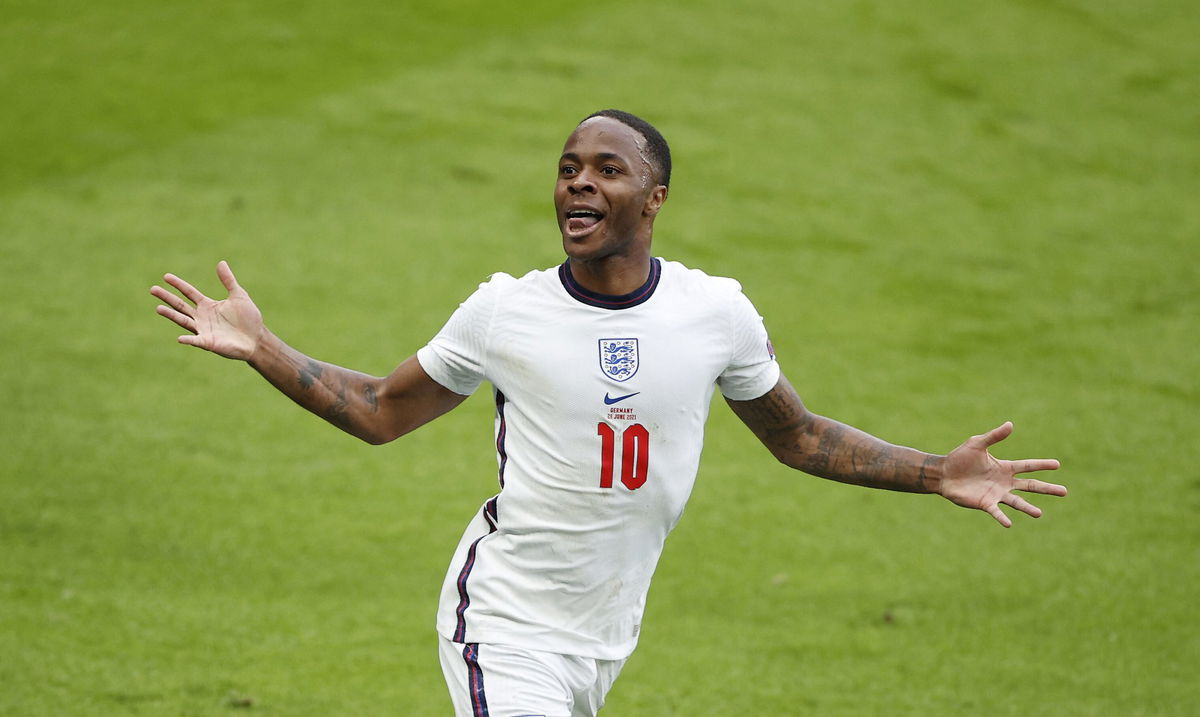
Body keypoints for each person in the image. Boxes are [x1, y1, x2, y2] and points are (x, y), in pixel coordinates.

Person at [151, 109, 1066, 717]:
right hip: (502, 620)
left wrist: (934, 471)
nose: (577, 184)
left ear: (654, 198)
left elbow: (799, 435)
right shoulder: (505, 310)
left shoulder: (716, 313)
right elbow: (382, 411)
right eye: (566, 169)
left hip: (605, 634)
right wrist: (262, 347)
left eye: (606, 170)